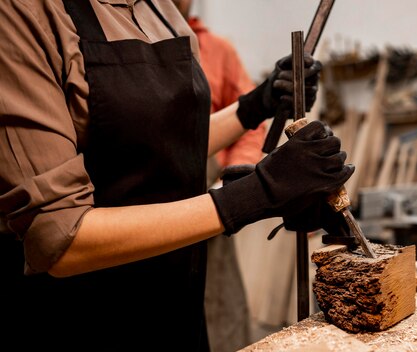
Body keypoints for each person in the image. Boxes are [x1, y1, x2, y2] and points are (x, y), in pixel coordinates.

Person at [0, 1, 353, 351]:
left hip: (177, 306)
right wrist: (253, 195)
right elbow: (60, 239)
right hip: (85, 320)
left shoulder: (160, 8)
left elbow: (162, 145)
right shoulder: (24, 12)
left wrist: (253, 106)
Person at [172, 1, 263, 350]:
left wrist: (231, 182)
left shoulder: (217, 50)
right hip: (141, 212)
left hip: (208, 202)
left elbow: (249, 130)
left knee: (221, 309)